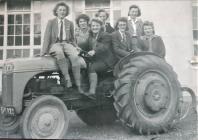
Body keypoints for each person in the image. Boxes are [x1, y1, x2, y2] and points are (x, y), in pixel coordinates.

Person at [41, 2, 85, 93]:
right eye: (60, 10)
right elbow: (46, 37)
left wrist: (76, 47)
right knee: (59, 53)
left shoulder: (70, 23)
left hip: (66, 43)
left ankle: (78, 84)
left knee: (75, 56)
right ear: (56, 11)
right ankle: (67, 78)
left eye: (64, 10)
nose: (62, 12)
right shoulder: (51, 22)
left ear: (66, 12)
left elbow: (72, 39)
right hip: (55, 44)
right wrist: (43, 52)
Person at [82, 18, 118, 99]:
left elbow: (104, 47)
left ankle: (92, 92)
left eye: (97, 26)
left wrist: (94, 51)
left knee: (92, 68)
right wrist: (77, 48)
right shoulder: (91, 37)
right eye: (93, 26)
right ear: (90, 27)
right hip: (96, 60)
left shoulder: (105, 35)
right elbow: (86, 46)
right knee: (84, 65)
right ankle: (83, 88)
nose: (95, 27)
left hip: (106, 61)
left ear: (100, 26)